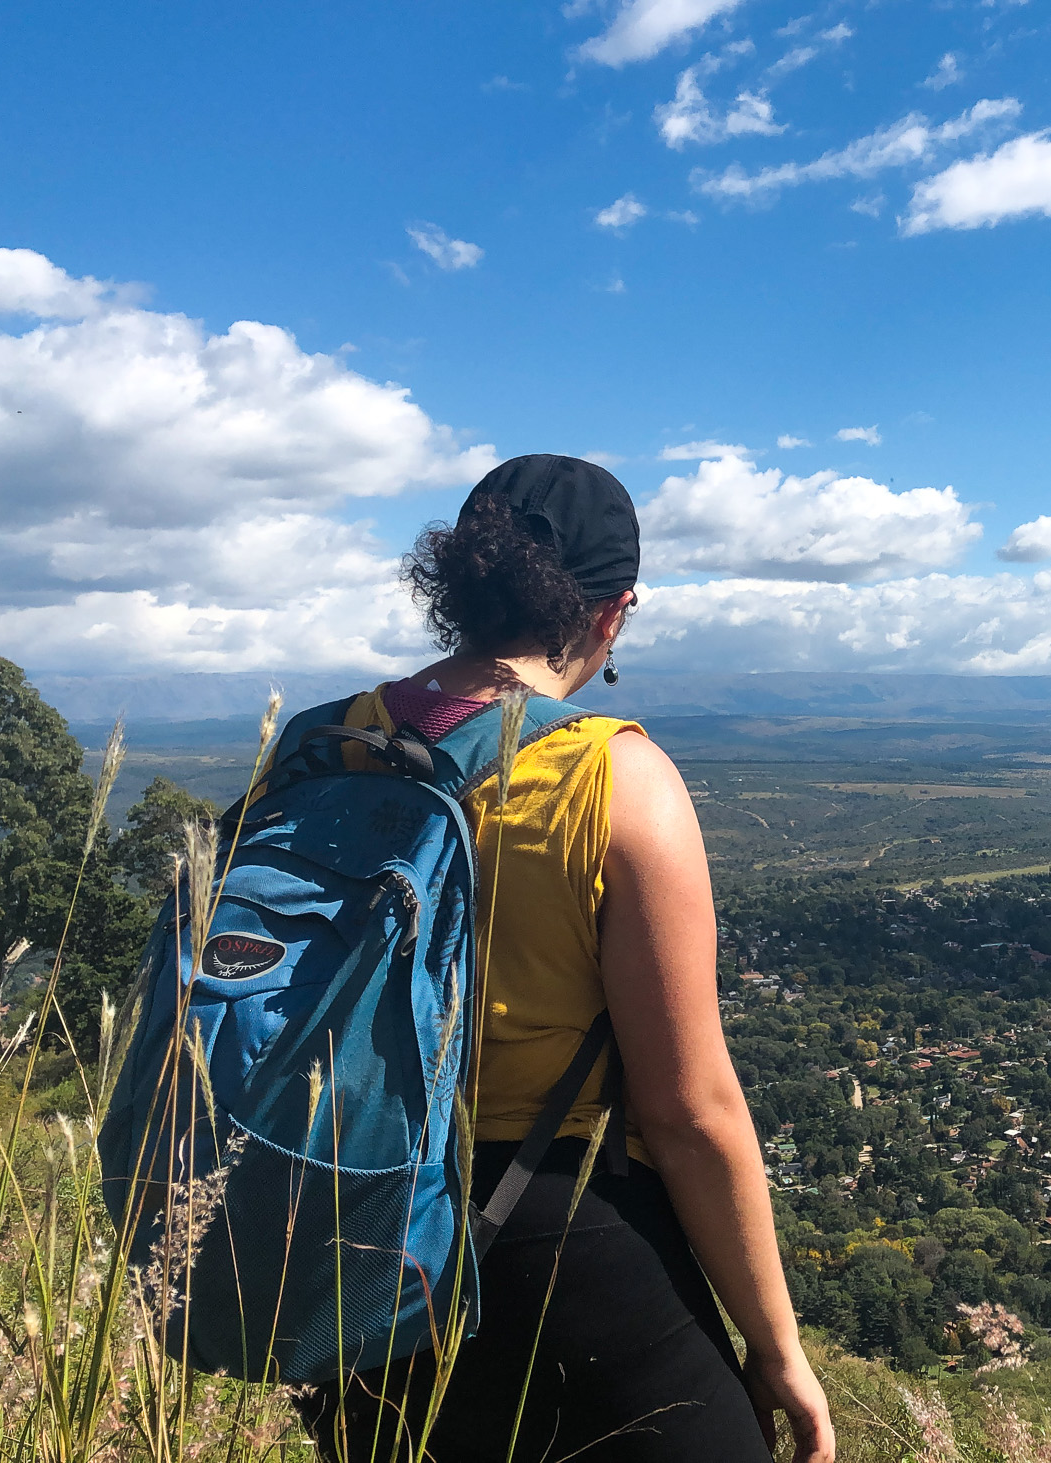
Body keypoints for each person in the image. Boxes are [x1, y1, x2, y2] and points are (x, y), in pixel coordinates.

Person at [295, 455, 834, 1462]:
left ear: (459, 579)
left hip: (340, 1238)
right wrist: (775, 1346)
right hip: (553, 1236)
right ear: (613, 610)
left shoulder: (320, 742)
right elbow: (686, 1112)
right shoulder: (615, 777)